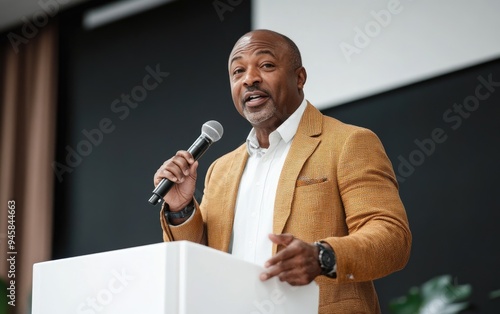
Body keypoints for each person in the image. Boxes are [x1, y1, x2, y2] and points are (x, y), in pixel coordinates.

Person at [154, 29, 411, 313]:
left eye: (266, 65)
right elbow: (198, 262)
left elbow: (392, 239)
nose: (249, 79)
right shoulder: (220, 169)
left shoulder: (348, 142)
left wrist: (322, 257)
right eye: (238, 71)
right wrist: (181, 209)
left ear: (299, 78)